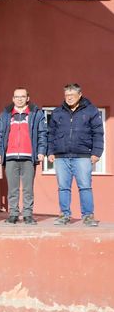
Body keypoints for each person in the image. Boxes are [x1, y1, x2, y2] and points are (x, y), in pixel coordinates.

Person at [47, 83, 104, 227]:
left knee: (85, 186)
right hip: (61, 156)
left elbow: (98, 133)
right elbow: (51, 134)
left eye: (72, 95)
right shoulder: (57, 112)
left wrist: (97, 153)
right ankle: (64, 215)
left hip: (83, 155)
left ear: (80, 95)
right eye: (66, 95)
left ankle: (88, 216)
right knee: (63, 187)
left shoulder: (91, 111)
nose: (69, 98)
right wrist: (50, 151)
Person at [0, 88, 48, 224]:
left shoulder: (36, 113)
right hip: (10, 156)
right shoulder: (5, 114)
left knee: (28, 188)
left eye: (22, 96)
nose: (19, 99)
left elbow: (42, 133)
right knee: (13, 189)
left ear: (27, 98)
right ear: (13, 98)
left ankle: (28, 214)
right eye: (17, 97)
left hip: (29, 156)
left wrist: (41, 151)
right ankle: (13, 214)